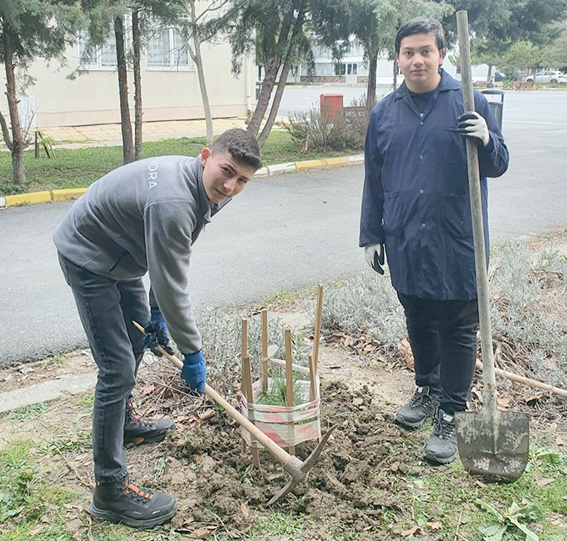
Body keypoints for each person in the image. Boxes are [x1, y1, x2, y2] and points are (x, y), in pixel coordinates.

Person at [53, 128, 262, 528]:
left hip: (124, 250)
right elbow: (171, 281)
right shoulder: (174, 200)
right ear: (205, 156)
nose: (231, 186)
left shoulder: (203, 186)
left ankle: (125, 420)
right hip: (89, 255)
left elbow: (163, 260)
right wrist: (192, 350)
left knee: (134, 338)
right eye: (227, 172)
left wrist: (153, 311)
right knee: (115, 368)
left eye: (242, 181)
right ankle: (110, 490)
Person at [359, 17, 509, 466]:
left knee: (459, 328)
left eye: (426, 50)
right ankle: (427, 388)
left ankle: (453, 411)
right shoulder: (385, 113)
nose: (417, 59)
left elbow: (499, 162)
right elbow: (374, 178)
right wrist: (371, 235)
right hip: (405, 237)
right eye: (409, 52)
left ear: (442, 54)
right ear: (399, 58)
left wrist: (486, 138)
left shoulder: (469, 100)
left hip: (458, 238)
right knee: (419, 317)